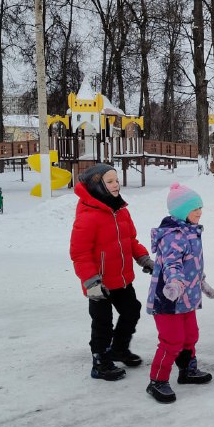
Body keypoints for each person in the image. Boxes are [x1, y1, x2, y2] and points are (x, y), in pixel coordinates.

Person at [69, 163, 154, 381]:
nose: (116, 184)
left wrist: (143, 258)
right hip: (99, 284)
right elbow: (80, 253)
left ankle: (119, 348)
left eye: (116, 180)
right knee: (102, 323)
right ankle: (101, 362)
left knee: (131, 310)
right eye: (109, 182)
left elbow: (130, 240)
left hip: (122, 278)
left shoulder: (121, 211)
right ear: (97, 186)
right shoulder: (88, 216)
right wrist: (91, 282)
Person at [145, 183, 214, 403]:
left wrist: (201, 282)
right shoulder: (173, 236)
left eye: (200, 207)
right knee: (172, 340)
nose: (199, 212)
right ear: (181, 211)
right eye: (195, 208)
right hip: (168, 299)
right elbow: (172, 265)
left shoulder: (191, 232)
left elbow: (192, 264)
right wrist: (174, 284)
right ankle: (157, 380)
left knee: (190, 336)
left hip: (187, 298)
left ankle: (187, 371)